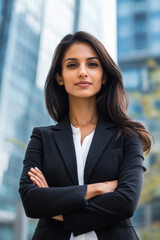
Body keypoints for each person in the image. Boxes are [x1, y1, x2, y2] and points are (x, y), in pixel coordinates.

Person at [19, 31, 153, 240]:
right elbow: (31, 201)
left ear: (104, 75)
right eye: (72, 65)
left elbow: (126, 203)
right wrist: (98, 188)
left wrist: (56, 209)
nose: (82, 72)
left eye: (92, 64)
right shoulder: (42, 138)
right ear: (59, 77)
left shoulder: (127, 136)